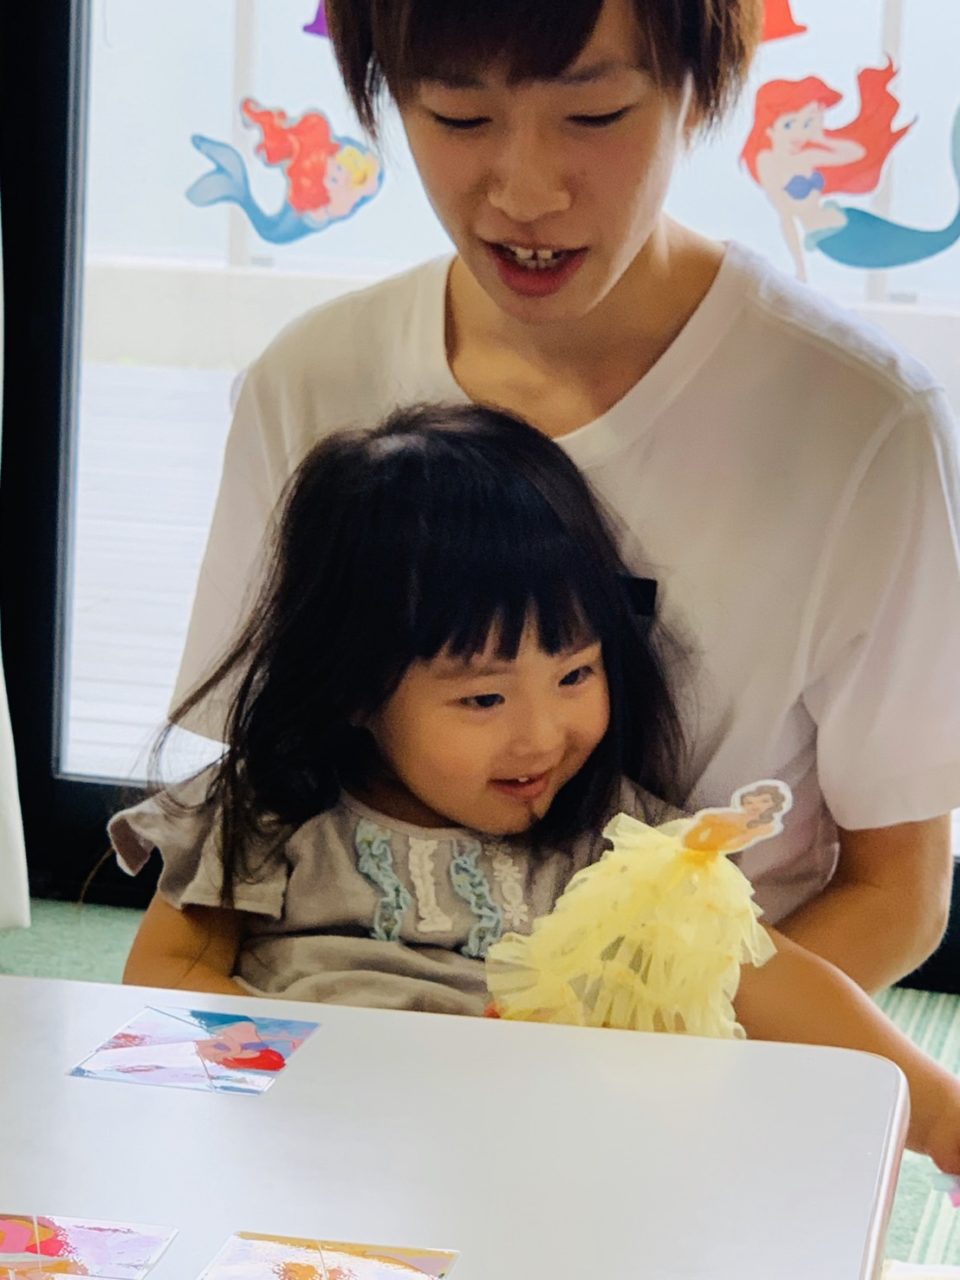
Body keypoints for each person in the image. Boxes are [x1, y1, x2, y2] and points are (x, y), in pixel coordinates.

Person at [171, 0, 960, 997]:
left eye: (595, 115)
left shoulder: (861, 422)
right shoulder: (313, 382)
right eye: (459, 116)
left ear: (698, 90)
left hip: (694, 1042)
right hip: (340, 1036)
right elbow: (245, 803)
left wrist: (633, 1042)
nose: (527, 193)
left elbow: (898, 887)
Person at [113, 406, 960, 1169]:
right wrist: (329, 1065)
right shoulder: (271, 804)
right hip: (305, 1154)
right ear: (356, 688)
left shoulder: (622, 845)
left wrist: (938, 1113)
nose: (543, 736)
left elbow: (763, 976)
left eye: (575, 674)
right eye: (484, 699)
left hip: (537, 1164)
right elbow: (169, 971)